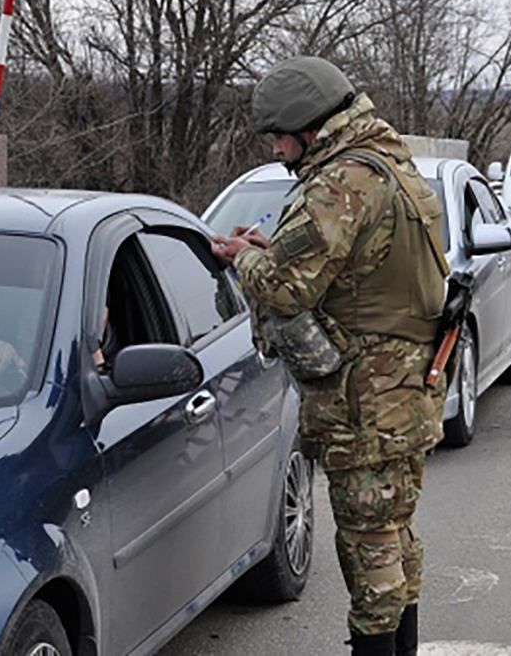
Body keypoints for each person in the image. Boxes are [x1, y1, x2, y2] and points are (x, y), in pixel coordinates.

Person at [211, 57, 448, 656]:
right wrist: (272, 249)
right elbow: (357, 270)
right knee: (393, 536)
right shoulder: (387, 161)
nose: (276, 149)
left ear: (310, 127)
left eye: (279, 136)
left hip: (366, 402)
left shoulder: (342, 179)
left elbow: (284, 290)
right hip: (406, 388)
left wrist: (243, 257)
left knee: (368, 547)